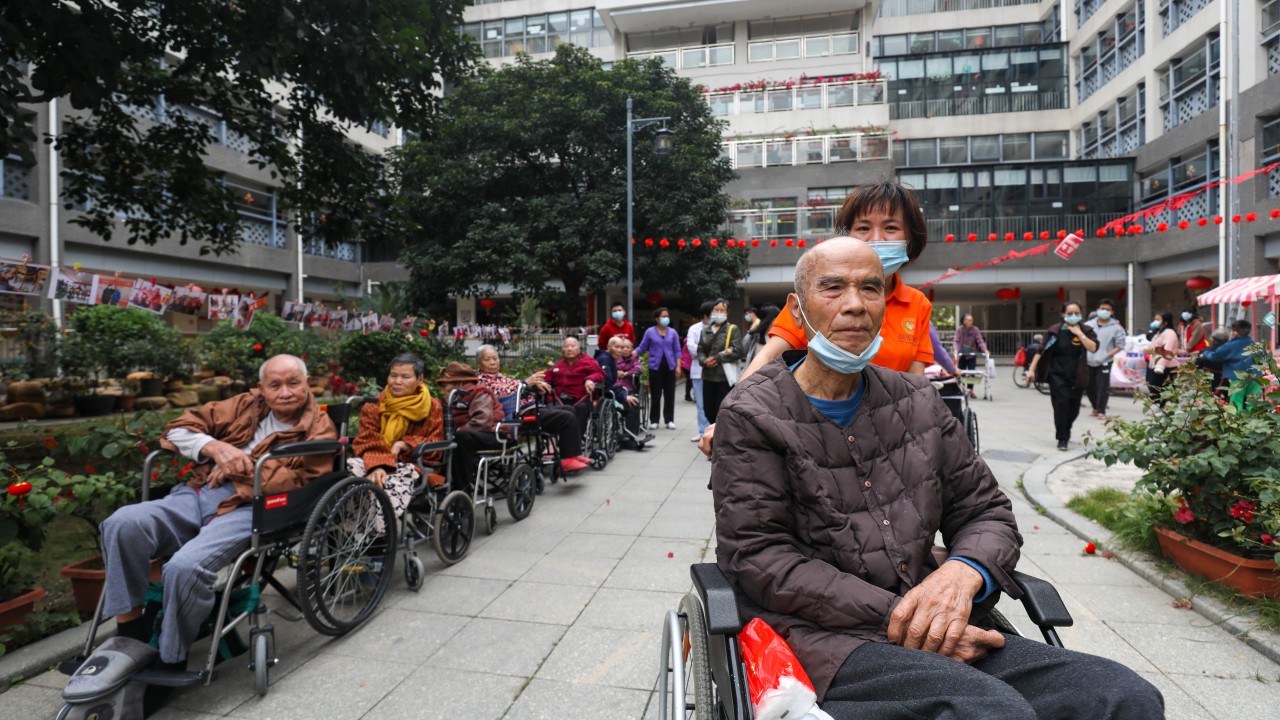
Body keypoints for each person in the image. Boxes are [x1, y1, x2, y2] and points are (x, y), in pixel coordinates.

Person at [711, 238, 1163, 719]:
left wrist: (963, 573)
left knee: (1120, 695)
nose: (854, 305)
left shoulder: (916, 399)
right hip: (823, 640)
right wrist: (903, 616)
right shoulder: (752, 413)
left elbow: (985, 510)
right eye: (832, 288)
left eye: (870, 288)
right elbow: (759, 557)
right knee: (991, 712)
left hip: (938, 616)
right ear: (797, 311)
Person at [99, 355, 337, 668]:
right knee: (122, 523)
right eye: (275, 385)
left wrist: (242, 468)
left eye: (293, 383)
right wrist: (216, 449)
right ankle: (130, 630)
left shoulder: (320, 428)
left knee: (184, 567)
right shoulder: (243, 406)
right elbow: (177, 430)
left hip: (256, 507)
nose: (285, 392)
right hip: (201, 491)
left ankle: (171, 658)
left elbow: (303, 483)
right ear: (260, 389)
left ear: (308, 384)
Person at [754, 182, 936, 377]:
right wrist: (739, 404)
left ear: (910, 237)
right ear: (845, 235)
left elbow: (916, 383)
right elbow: (765, 360)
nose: (876, 239)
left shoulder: (917, 304)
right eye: (863, 228)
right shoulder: (815, 297)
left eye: (891, 227)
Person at [349, 353, 446, 524]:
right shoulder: (374, 404)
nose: (397, 381)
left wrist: (405, 444)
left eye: (405, 377)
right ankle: (352, 530)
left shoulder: (431, 406)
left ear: (420, 379)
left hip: (415, 465)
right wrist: (377, 465)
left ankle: (381, 533)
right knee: (350, 471)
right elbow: (367, 438)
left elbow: (436, 443)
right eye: (393, 376)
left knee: (387, 484)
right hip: (375, 459)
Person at [474, 345, 591, 473]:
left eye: (495, 358)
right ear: (479, 363)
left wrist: (536, 386)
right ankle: (566, 460)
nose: (492, 362)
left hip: (528, 409)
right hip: (516, 417)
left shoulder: (499, 376)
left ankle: (572, 453)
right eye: (487, 359)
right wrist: (526, 384)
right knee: (566, 417)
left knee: (569, 409)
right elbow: (504, 393)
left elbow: (516, 386)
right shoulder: (481, 380)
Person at [1027, 301, 1098, 450]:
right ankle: (1062, 438)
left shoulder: (1087, 330)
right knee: (1061, 405)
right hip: (1057, 374)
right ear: (1063, 314)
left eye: (1076, 313)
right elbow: (1041, 351)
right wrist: (1031, 370)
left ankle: (1066, 428)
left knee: (1074, 408)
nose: (1073, 316)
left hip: (1078, 374)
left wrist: (1079, 333)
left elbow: (1093, 348)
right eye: (1069, 313)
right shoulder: (1055, 331)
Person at [436, 361, 504, 487]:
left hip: (492, 435)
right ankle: (438, 484)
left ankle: (461, 489)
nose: (443, 388)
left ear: (458, 382)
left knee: (460, 439)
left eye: (445, 384)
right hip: (466, 435)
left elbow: (482, 422)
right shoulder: (451, 397)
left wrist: (456, 433)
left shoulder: (479, 393)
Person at [547, 336, 605, 449]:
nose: (569, 349)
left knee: (581, 409)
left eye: (572, 346)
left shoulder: (588, 361)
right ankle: (551, 443)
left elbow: (599, 374)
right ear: (562, 349)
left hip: (580, 399)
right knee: (549, 408)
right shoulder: (559, 364)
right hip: (560, 399)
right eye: (566, 346)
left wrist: (590, 379)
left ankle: (573, 445)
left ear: (579, 348)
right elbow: (548, 376)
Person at [697, 298, 744, 425]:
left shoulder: (732, 329)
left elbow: (739, 351)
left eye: (722, 310)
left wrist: (717, 358)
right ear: (711, 311)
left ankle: (719, 437)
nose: (718, 312)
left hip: (724, 377)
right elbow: (700, 350)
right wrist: (704, 361)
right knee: (708, 410)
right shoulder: (705, 330)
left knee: (721, 410)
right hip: (707, 375)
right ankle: (714, 432)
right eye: (716, 310)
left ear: (727, 313)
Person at [633, 306, 682, 429]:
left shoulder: (673, 332)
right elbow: (642, 347)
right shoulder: (650, 332)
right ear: (657, 318)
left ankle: (669, 419)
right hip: (655, 367)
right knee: (655, 395)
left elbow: (677, 350)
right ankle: (654, 420)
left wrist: (678, 366)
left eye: (667, 316)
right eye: (663, 316)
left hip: (670, 367)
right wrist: (631, 354)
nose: (666, 318)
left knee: (670, 395)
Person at [600, 336, 653, 448]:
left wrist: (626, 374)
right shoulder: (606, 359)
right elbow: (608, 384)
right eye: (618, 347)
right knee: (633, 404)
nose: (621, 350)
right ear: (608, 347)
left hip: (623, 388)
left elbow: (639, 368)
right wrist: (624, 396)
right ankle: (627, 438)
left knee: (633, 400)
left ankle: (630, 434)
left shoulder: (616, 358)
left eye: (624, 347)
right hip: (611, 393)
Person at [1084, 298, 1127, 419]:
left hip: (1104, 361)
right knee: (1089, 386)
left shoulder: (1116, 327)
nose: (1104, 311)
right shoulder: (1088, 325)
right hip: (1088, 360)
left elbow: (1120, 345)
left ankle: (1102, 410)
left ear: (1112, 312)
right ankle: (1095, 408)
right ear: (1097, 309)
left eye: (1107, 309)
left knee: (1103, 386)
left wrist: (1106, 355)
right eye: (1102, 309)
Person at [686, 301, 714, 441]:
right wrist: (706, 351)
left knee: (714, 402)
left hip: (716, 372)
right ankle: (703, 431)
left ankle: (715, 430)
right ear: (705, 315)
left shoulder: (722, 328)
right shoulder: (694, 329)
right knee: (701, 404)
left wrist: (702, 347)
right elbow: (691, 347)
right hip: (698, 371)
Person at [1199, 319, 1254, 385]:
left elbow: (1215, 356)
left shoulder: (1229, 346)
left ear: (1234, 333)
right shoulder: (1257, 345)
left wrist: (1204, 354)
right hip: (1254, 378)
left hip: (1237, 379)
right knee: (1253, 395)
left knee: (1237, 395)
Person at [1146, 311, 1182, 406]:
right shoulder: (1159, 332)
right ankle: (1163, 407)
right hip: (1156, 364)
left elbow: (1167, 349)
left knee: (1161, 389)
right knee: (1156, 388)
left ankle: (1167, 408)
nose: (1155, 322)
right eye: (1155, 319)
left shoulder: (1170, 333)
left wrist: (1160, 366)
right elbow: (1153, 345)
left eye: (1158, 320)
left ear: (1165, 322)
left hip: (1166, 366)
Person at [742, 304, 781, 369]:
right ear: (771, 320)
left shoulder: (779, 338)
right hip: (756, 375)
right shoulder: (753, 337)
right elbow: (742, 351)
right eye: (777, 318)